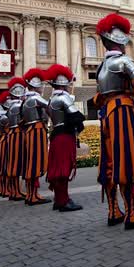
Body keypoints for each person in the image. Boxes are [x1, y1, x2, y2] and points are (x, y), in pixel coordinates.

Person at [94, 13, 134, 230]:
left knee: (110, 162)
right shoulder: (123, 60)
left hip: (107, 113)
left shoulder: (101, 67)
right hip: (123, 110)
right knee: (127, 160)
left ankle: (113, 210)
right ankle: (131, 213)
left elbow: (98, 97)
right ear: (121, 42)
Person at [46, 64, 85, 212]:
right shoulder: (63, 98)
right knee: (63, 169)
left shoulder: (51, 99)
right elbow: (77, 116)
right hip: (64, 135)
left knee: (57, 168)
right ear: (64, 86)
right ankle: (63, 201)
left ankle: (59, 199)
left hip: (56, 133)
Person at [22, 68, 52, 206]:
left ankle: (31, 194)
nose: (42, 87)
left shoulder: (25, 99)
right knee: (35, 162)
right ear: (35, 86)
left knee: (30, 162)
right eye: (41, 85)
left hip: (29, 130)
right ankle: (33, 195)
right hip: (37, 130)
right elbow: (51, 106)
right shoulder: (34, 97)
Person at [5, 77, 27, 201]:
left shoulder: (9, 106)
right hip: (19, 134)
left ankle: (13, 191)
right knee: (19, 163)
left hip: (11, 135)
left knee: (12, 163)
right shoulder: (20, 106)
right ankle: (17, 191)